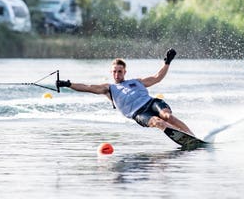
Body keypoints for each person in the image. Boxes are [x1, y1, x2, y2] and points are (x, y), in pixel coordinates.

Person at [56, 48, 194, 136]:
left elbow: (157, 78)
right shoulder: (108, 88)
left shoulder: (137, 81)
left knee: (167, 116)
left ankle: (191, 136)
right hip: (139, 113)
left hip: (151, 103)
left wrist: (167, 62)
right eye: (114, 72)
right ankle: (181, 136)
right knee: (158, 122)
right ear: (111, 72)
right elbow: (87, 87)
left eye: (120, 71)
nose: (117, 74)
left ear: (124, 72)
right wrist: (68, 84)